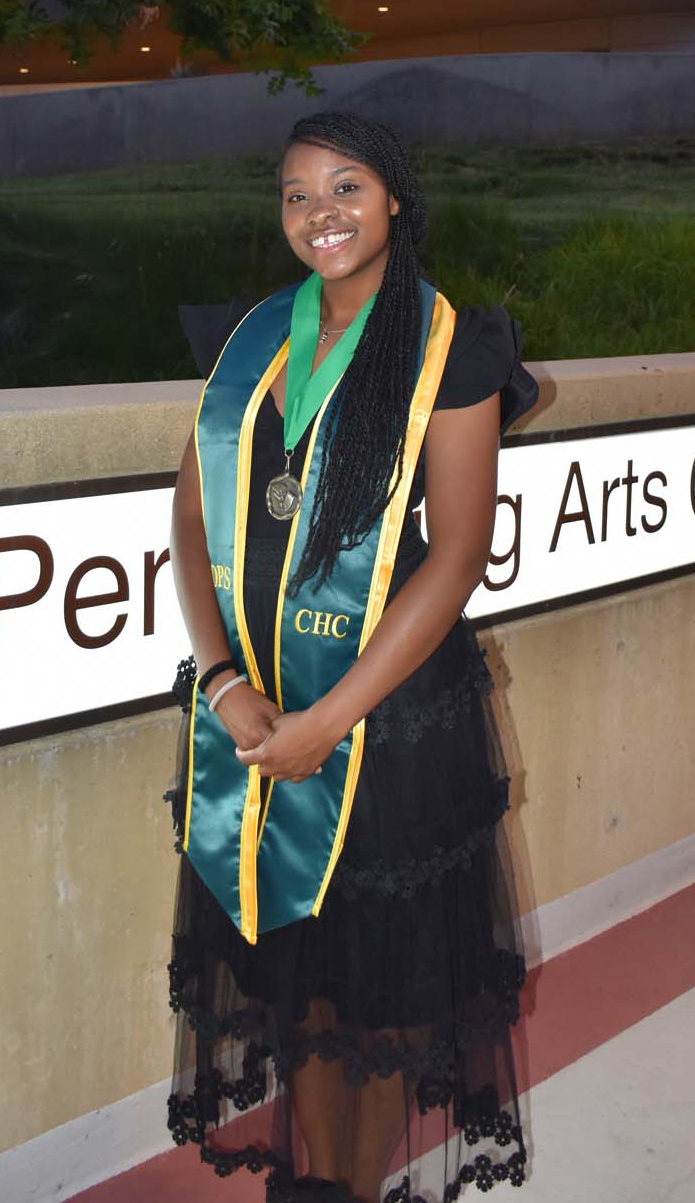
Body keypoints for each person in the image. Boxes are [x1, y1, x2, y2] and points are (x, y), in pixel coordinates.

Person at [165, 110, 539, 1203]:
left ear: (394, 202)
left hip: (389, 719)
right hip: (257, 701)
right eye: (296, 195)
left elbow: (457, 555)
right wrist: (224, 678)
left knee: (385, 1000)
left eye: (345, 189)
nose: (319, 214)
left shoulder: (448, 346)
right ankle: (314, 1191)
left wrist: (331, 722)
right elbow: (190, 518)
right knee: (306, 992)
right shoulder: (248, 341)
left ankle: (358, 1190)